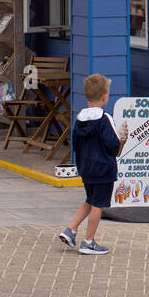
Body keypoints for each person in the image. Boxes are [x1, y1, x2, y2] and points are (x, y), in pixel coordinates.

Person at [57, 73, 128, 255]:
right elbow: (113, 146)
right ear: (105, 97)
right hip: (104, 169)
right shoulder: (105, 119)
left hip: (86, 169)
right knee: (98, 205)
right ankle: (88, 241)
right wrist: (122, 140)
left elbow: (76, 145)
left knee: (90, 200)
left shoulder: (79, 120)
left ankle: (70, 230)